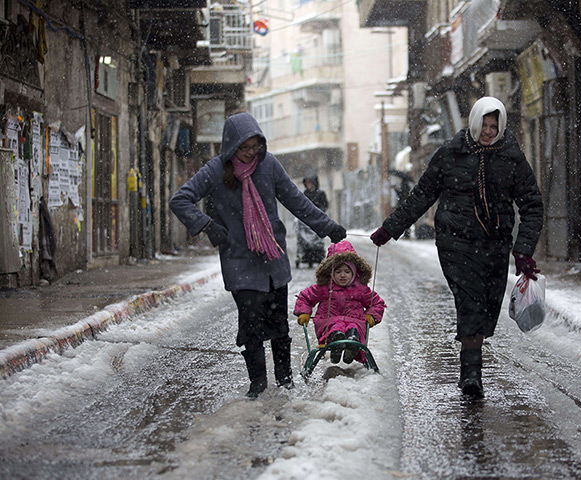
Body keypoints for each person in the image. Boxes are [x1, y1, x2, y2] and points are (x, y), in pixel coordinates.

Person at [370, 96, 543, 397]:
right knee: (470, 302)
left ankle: (473, 356)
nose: (489, 131)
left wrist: (523, 249)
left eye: (495, 126)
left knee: (488, 307)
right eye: (485, 125)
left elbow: (531, 204)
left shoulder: (511, 157)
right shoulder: (450, 153)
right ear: (474, 122)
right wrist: (390, 229)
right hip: (456, 243)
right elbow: (421, 195)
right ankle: (471, 375)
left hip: (495, 244)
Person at [170, 113, 347, 398]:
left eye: (255, 146)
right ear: (231, 147)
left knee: (279, 324)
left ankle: (285, 379)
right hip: (239, 259)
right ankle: (258, 384)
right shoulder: (216, 171)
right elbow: (180, 199)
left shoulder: (269, 165)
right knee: (250, 324)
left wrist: (327, 227)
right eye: (245, 147)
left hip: (272, 259)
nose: (252, 152)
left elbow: (296, 201)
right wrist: (207, 225)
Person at [294, 240, 386, 365]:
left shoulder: (360, 289)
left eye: (347, 272)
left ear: (354, 273)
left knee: (354, 327)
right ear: (330, 272)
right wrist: (304, 312)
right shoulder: (324, 288)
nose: (343, 275)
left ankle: (351, 344)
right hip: (328, 321)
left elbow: (376, 303)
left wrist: (371, 316)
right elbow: (305, 297)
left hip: (355, 320)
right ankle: (336, 342)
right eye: (338, 272)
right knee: (336, 326)